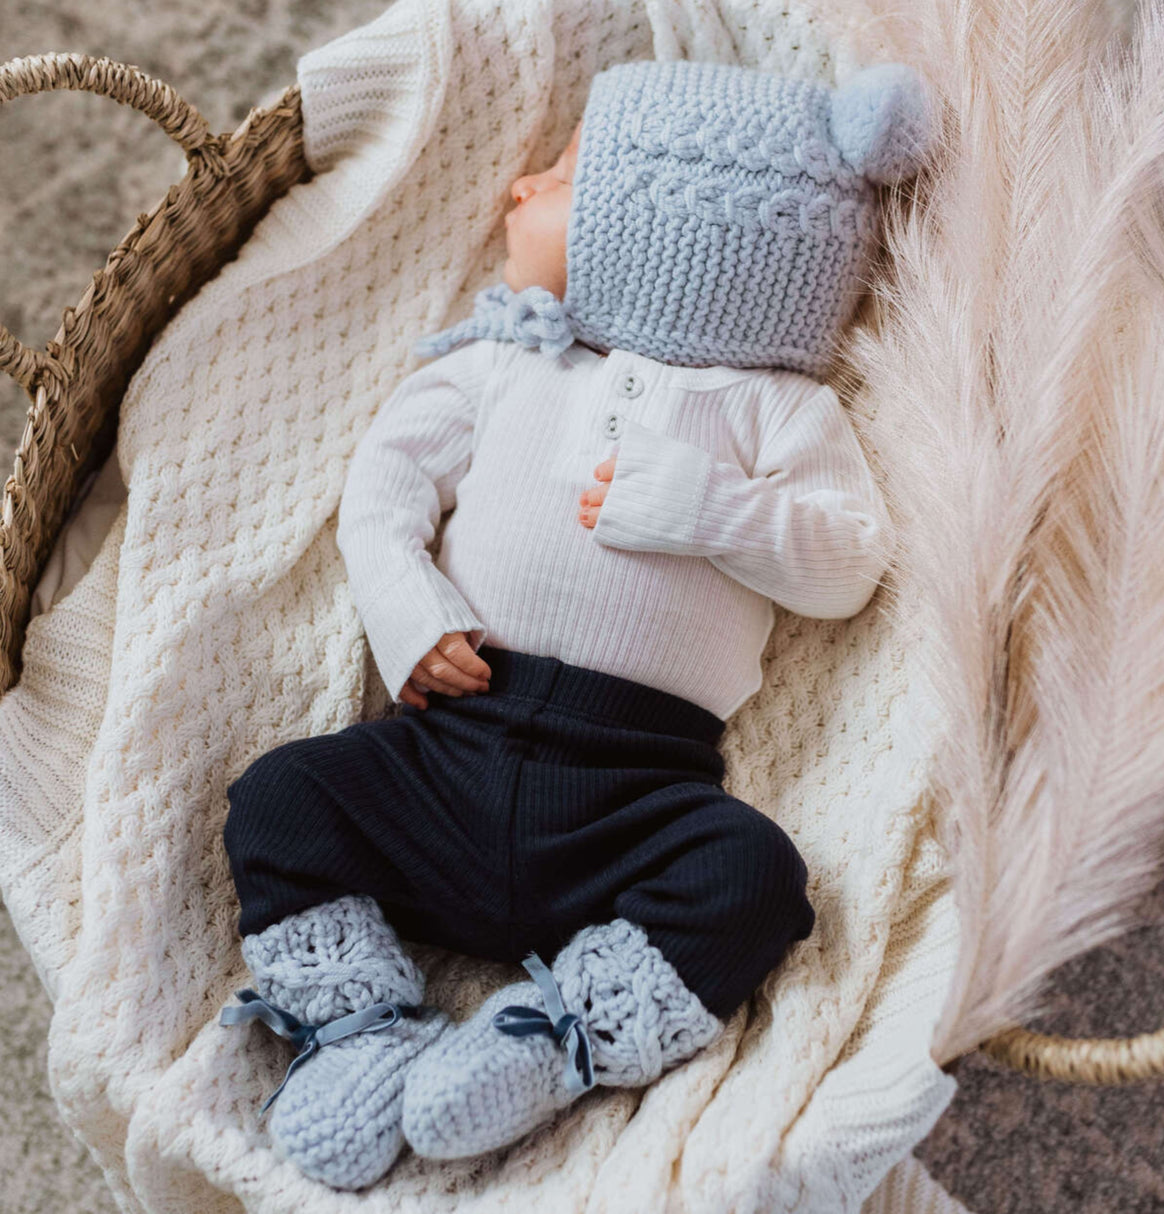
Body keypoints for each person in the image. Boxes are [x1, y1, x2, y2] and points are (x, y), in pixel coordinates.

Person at [220, 56, 930, 1191]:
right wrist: (412, 621)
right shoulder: (505, 360)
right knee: (281, 796)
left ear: (665, 234)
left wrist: (712, 508)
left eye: (558, 175)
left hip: (635, 799)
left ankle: (554, 1038)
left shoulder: (772, 408)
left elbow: (847, 559)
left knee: (756, 877)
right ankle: (357, 1030)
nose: (514, 188)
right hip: (448, 740)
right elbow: (383, 493)